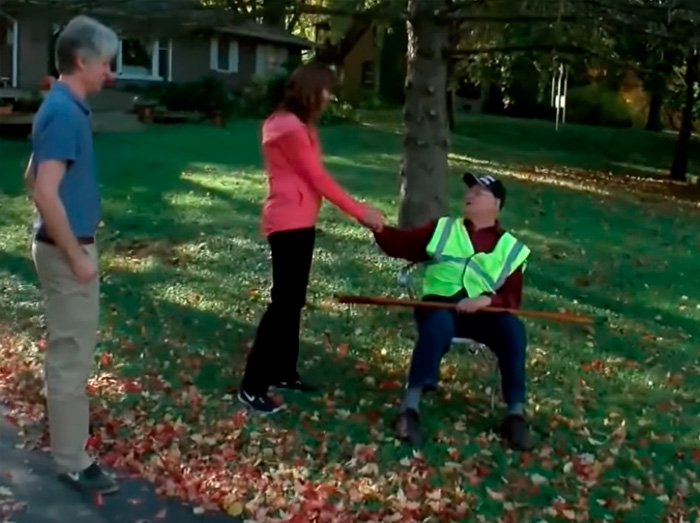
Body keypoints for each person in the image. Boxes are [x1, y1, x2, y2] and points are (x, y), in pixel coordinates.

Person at [238, 63, 385, 414]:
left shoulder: (297, 125)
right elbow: (317, 177)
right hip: (288, 222)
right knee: (283, 304)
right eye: (326, 90)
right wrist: (360, 211)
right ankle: (252, 385)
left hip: (299, 220)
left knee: (293, 300)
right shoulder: (288, 127)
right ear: (310, 89)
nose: (329, 96)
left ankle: (283, 372)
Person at [24, 16, 119, 493]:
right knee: (70, 358)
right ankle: (72, 460)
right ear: (82, 61)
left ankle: (66, 441)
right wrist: (76, 255)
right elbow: (44, 191)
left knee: (70, 353)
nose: (111, 73)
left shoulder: (61, 106)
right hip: (68, 253)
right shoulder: (62, 111)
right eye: (106, 63)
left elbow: (30, 177)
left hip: (64, 246)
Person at [373, 172, 533, 450]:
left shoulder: (512, 249)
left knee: (513, 330)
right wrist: (378, 228)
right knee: (436, 324)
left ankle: (515, 414)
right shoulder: (443, 228)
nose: (469, 195)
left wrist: (487, 301)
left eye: (478, 193)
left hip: (482, 316)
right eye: (469, 190)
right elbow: (401, 244)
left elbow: (511, 297)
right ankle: (410, 408)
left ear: (496, 204)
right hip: (439, 306)